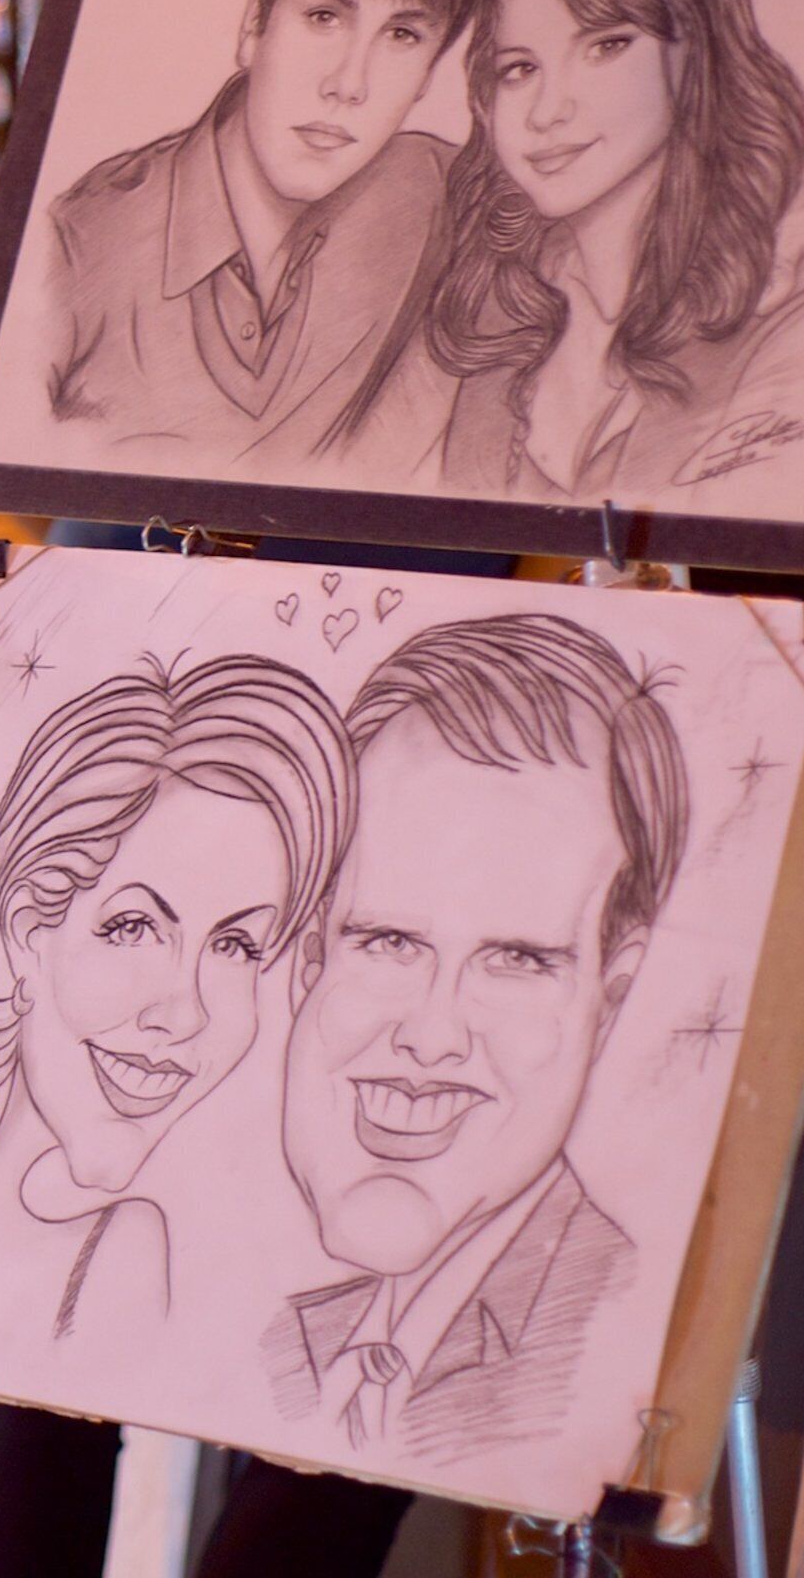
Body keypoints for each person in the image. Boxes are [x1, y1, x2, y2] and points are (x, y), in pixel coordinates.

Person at [268, 611, 688, 1465]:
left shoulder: (616, 1338)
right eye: (389, 942)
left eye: (516, 961)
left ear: (610, 997)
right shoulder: (289, 1342)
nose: (431, 1038)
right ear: (310, 956)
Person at [389, 0, 804, 503]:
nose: (547, 111)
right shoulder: (500, 309)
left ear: (698, 53)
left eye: (606, 46)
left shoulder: (788, 285)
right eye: (520, 69)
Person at [35, 0, 515, 469]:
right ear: (255, 21)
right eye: (324, 17)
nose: (349, 83)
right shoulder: (80, 245)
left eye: (403, 35)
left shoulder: (447, 203)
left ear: (430, 71)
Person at [0, 654, 351, 1338]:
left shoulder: (128, 1258)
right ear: (28, 930)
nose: (184, 1015)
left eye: (235, 945)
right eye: (133, 928)